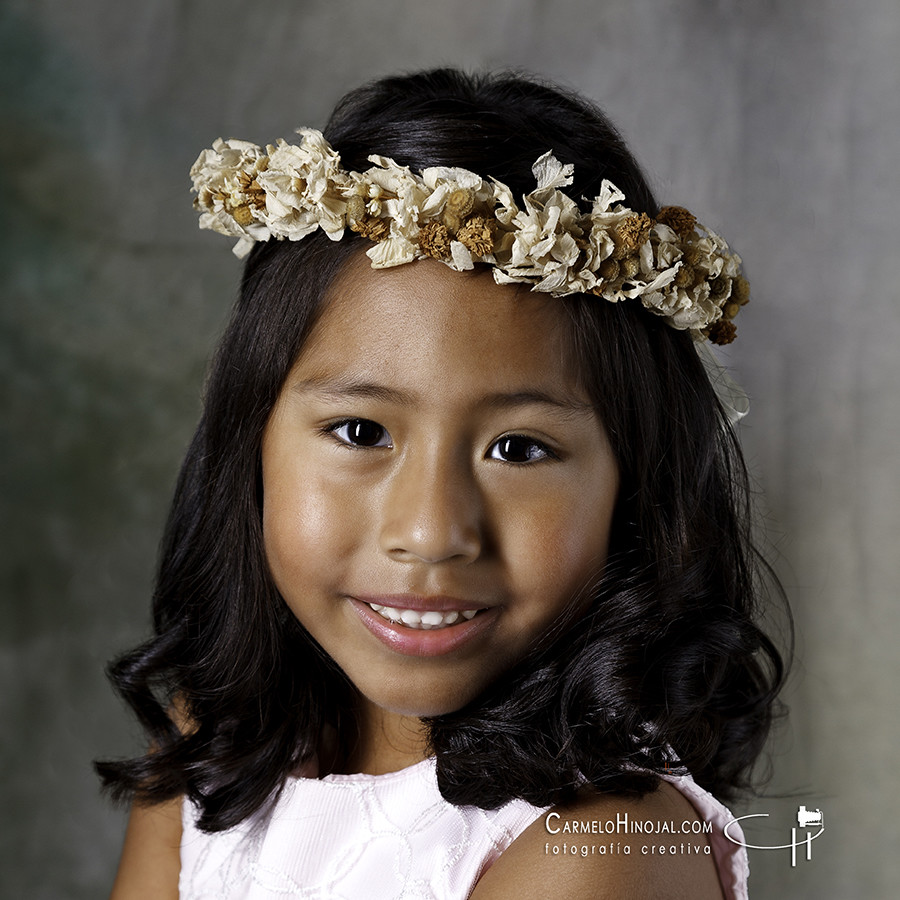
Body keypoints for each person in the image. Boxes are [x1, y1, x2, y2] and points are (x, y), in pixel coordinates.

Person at [97, 68, 787, 899]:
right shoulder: (216, 748)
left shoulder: (604, 848)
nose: (429, 531)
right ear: (251, 441)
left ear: (634, 486)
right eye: (361, 432)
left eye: (520, 449)